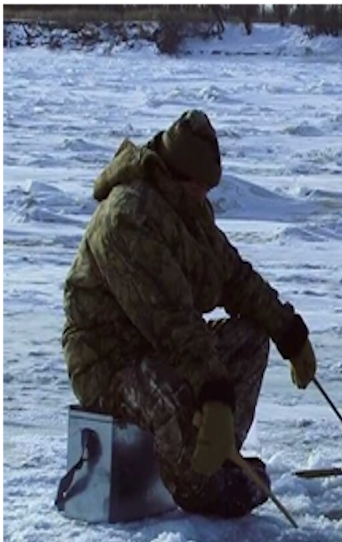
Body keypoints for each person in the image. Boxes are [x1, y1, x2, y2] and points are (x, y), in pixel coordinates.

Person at [61, 109, 317, 518]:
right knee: (174, 390)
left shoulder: (185, 209)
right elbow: (171, 321)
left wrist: (288, 332)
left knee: (250, 337)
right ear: (176, 174)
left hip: (159, 347)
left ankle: (215, 451)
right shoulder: (128, 218)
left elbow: (233, 276)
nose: (206, 195)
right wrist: (212, 391)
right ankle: (198, 482)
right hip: (108, 361)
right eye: (200, 185)